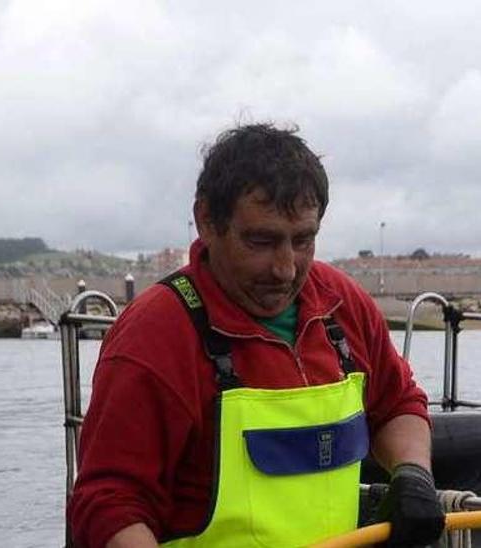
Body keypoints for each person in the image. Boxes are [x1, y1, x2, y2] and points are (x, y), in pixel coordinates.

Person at [69, 123, 443, 547]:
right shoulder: (155, 336)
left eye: (303, 240)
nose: (285, 268)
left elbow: (397, 404)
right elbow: (110, 503)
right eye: (261, 241)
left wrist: (412, 472)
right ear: (207, 220)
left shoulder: (342, 306)